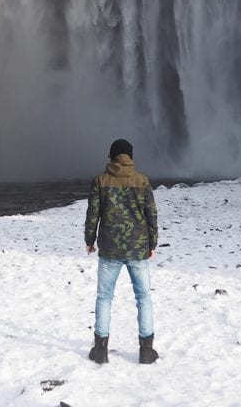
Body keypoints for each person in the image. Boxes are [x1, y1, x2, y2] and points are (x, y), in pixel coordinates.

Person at [84, 138, 159, 365]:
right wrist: (152, 244)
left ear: (112, 156)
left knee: (104, 297)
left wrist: (89, 240)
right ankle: (146, 351)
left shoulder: (101, 180)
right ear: (131, 157)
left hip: (109, 248)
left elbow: (92, 214)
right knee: (143, 296)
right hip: (138, 248)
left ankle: (101, 350)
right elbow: (151, 215)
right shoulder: (142, 181)